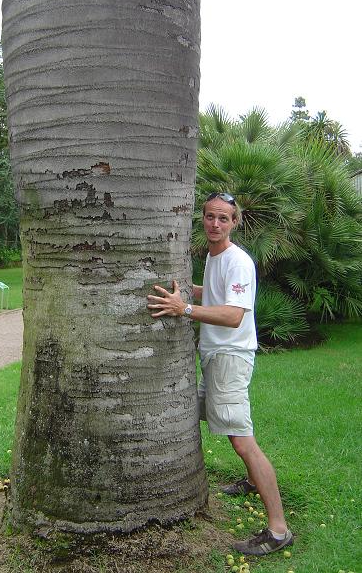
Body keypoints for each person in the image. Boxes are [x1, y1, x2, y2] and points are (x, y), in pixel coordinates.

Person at [146, 192, 293, 556]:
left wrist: (185, 309)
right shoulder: (215, 258)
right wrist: (188, 290)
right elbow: (216, 296)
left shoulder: (237, 261)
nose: (215, 224)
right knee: (190, 413)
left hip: (230, 357)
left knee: (241, 440)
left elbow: (233, 315)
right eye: (210, 216)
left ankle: (278, 530)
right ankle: (251, 482)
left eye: (223, 218)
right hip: (216, 356)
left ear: (235, 222)